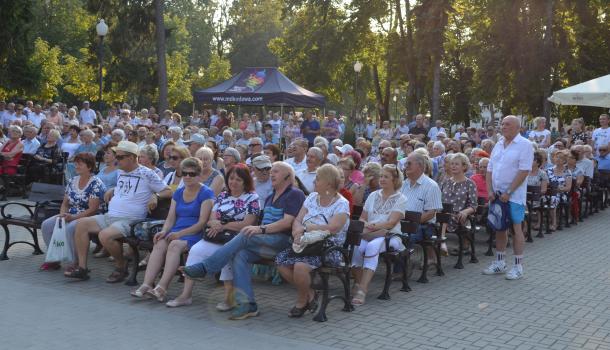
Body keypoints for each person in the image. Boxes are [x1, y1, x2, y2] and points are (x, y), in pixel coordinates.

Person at [181, 162, 306, 320]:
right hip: (267, 242)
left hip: (283, 242)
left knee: (245, 234)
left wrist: (260, 229)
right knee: (240, 254)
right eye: (271, 171)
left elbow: (287, 222)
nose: (271, 174)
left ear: (288, 177)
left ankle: (207, 267)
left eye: (276, 171)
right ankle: (247, 305)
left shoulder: (294, 193)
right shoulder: (270, 196)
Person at [68, 141, 171, 282]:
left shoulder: (147, 173)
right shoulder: (121, 172)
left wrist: (156, 196)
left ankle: (121, 266)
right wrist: (113, 189)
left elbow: (168, 191)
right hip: (110, 216)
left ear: (132, 157)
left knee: (105, 236)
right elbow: (125, 189)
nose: (117, 160)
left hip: (130, 220)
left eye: (121, 157)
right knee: (81, 225)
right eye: (117, 156)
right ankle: (82, 268)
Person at [166, 163, 260, 309]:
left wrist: (223, 225)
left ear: (246, 182)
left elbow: (247, 223)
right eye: (231, 178)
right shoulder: (223, 195)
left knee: (228, 253)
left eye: (238, 180)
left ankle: (229, 298)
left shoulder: (252, 198)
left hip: (237, 239)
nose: (233, 182)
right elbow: (210, 219)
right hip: (216, 235)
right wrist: (216, 224)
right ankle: (186, 295)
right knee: (196, 250)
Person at [131, 158, 215, 302]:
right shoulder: (179, 192)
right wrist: (164, 231)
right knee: (159, 243)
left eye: (192, 174)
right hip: (176, 231)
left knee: (174, 245)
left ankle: (162, 287)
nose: (187, 177)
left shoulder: (206, 193)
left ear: (199, 175)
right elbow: (170, 218)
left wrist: (179, 234)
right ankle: (146, 285)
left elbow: (202, 223)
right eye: (185, 173)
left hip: (194, 233)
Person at [276, 164, 350, 317]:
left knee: (300, 267)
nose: (314, 182)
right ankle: (310, 293)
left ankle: (302, 301)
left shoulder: (341, 204)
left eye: (317, 179)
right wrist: (297, 231)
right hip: (306, 243)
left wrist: (306, 228)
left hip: (329, 247)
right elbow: (297, 220)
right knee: (281, 263)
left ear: (328, 183)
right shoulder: (311, 197)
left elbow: (333, 228)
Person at [484, 115, 534, 280]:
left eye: (507, 124)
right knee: (500, 227)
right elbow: (490, 168)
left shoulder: (525, 145)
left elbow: (524, 170)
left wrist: (509, 192)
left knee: (516, 229)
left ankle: (518, 266)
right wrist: (490, 190)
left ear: (517, 127)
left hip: (514, 196)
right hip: (497, 194)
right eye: (502, 124)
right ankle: (500, 263)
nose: (503, 127)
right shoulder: (498, 143)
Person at [351, 164, 407, 305]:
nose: (382, 179)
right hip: (369, 233)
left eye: (386, 177)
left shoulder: (401, 198)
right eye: (381, 176)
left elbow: (391, 223)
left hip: (390, 235)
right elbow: (362, 218)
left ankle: (362, 290)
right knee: (356, 247)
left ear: (395, 180)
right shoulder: (372, 195)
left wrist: (373, 225)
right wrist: (366, 224)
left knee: (372, 247)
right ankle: (358, 283)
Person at [39, 154, 106, 271]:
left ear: (89, 166)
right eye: (76, 163)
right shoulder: (72, 181)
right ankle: (54, 259)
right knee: (47, 225)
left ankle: (75, 262)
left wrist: (73, 217)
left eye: (80, 164)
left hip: (89, 217)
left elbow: (93, 209)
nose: (76, 166)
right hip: (71, 214)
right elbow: (65, 203)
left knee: (70, 228)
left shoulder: (96, 183)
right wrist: (62, 215)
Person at [439, 153, 477, 256]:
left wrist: (465, 211)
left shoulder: (470, 183)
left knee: (444, 217)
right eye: (452, 164)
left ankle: (441, 243)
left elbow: (473, 206)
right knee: (435, 218)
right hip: (443, 213)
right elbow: (439, 200)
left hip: (458, 216)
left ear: (464, 166)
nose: (453, 166)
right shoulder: (446, 182)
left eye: (456, 164)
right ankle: (435, 250)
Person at [545, 150, 572, 231]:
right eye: (556, 157)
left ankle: (554, 223)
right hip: (549, 192)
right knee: (542, 198)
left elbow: (568, 188)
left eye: (561, 158)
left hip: (562, 194)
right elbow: (545, 183)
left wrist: (559, 189)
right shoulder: (548, 170)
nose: (558, 159)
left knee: (553, 199)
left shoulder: (567, 172)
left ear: (564, 161)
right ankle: (540, 222)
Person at [527, 151, 549, 230]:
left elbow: (543, 190)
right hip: (525, 197)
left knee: (527, 204)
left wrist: (534, 194)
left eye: (532, 159)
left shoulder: (542, 174)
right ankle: (524, 226)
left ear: (538, 162)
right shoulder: (525, 172)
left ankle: (538, 223)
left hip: (537, 197)